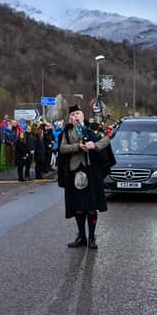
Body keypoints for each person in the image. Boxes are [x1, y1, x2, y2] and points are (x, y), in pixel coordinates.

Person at [59, 105, 111, 250]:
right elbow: (62, 148)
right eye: (73, 114)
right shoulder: (67, 131)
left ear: (83, 115)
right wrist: (77, 146)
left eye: (78, 113)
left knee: (91, 207)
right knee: (78, 208)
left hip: (92, 171)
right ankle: (81, 236)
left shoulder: (92, 127)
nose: (76, 116)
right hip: (75, 172)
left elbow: (107, 139)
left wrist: (94, 145)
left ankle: (92, 237)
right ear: (70, 117)